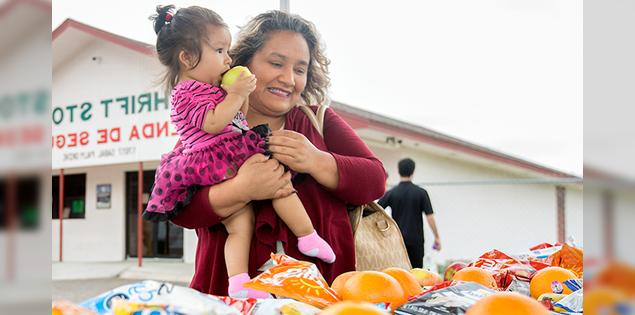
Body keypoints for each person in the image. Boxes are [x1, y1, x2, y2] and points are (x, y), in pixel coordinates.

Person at [169, 10, 386, 296]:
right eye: (276, 63)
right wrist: (240, 189)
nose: (288, 78)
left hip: (319, 297)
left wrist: (316, 161)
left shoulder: (318, 121)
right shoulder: (206, 127)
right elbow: (178, 208)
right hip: (228, 297)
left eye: (300, 69)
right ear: (243, 64)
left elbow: (375, 181)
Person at [144, 5, 336, 298]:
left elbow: (237, 119)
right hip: (213, 160)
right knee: (274, 182)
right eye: (220, 50)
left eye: (300, 69)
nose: (227, 59)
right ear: (186, 57)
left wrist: (237, 96)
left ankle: (242, 280)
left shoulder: (217, 89)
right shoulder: (185, 94)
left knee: (246, 217)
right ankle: (305, 236)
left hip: (228, 152)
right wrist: (236, 94)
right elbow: (214, 122)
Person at [378, 158, 441, 269]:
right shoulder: (421, 193)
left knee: (399, 272)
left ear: (398, 171)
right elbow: (430, 217)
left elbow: (376, 210)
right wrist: (437, 237)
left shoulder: (392, 193)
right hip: (416, 240)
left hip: (397, 240)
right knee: (417, 273)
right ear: (413, 171)